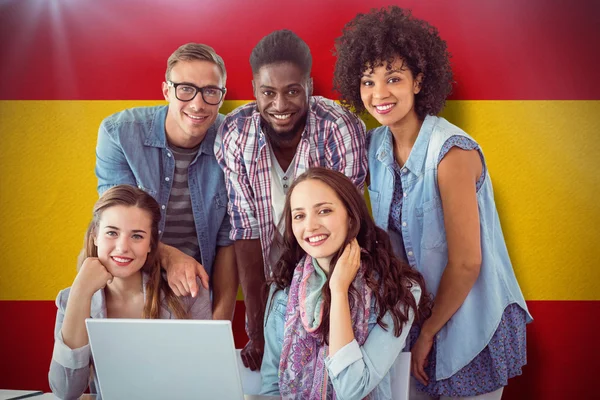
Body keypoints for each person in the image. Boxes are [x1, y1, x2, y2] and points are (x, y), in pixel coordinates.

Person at [333, 6, 533, 399]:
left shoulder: (451, 153)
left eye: (393, 79)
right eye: (368, 81)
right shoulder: (374, 148)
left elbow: (466, 262)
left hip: (469, 317)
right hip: (413, 319)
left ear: (419, 81)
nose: (379, 95)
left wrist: (427, 332)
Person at [215, 30, 368, 369]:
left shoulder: (338, 127)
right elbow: (246, 230)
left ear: (309, 86)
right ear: (254, 88)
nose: (280, 105)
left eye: (292, 91)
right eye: (268, 92)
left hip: (332, 272)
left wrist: (328, 309)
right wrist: (255, 328)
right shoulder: (236, 132)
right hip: (270, 275)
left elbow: (347, 225)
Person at [259, 167, 430, 399]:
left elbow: (352, 389)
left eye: (324, 211)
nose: (310, 226)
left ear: (350, 217)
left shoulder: (399, 290)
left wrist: (338, 290)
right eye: (299, 216)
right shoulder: (283, 289)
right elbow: (271, 386)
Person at [95, 43, 237, 321]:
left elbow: (228, 240)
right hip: (126, 279)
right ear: (166, 91)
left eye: (210, 91)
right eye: (185, 88)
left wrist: (220, 324)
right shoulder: (119, 134)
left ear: (222, 97)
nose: (198, 104)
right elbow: (115, 221)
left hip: (193, 290)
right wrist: (170, 257)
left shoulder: (234, 141)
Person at [48, 185, 211, 400]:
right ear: (95, 236)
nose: (123, 247)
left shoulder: (187, 295)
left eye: (137, 236)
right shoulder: (72, 298)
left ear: (151, 244)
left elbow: (205, 380)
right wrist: (80, 292)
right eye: (112, 233)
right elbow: (65, 390)